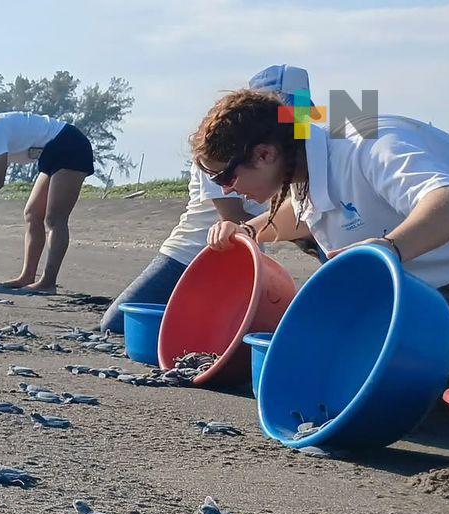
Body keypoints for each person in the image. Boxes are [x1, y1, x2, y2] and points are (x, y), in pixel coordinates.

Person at [196, 90, 449, 383]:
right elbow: (305, 213)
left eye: (224, 177)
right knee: (388, 383)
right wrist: (247, 230)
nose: (225, 190)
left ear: (265, 154)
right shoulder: (304, 162)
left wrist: (391, 247)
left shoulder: (367, 144)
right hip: (436, 288)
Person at [100, 65, 311, 333]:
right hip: (192, 253)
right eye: (285, 118)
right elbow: (233, 218)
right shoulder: (218, 149)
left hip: (248, 255)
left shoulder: (302, 150)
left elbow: (363, 125)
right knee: (117, 325)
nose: (294, 132)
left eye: (298, 120)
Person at [0, 102, 96, 293]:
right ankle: (27, 276)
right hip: (51, 153)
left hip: (70, 145)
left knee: (54, 218)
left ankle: (48, 282)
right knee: (32, 213)